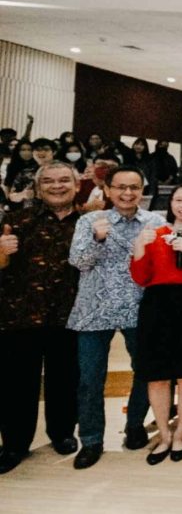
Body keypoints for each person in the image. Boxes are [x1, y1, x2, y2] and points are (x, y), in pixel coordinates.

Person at [66, 165, 166, 469]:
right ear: (107, 190)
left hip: (139, 308)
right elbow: (78, 261)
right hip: (94, 310)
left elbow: (163, 265)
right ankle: (91, 439)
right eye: (120, 187)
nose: (127, 193)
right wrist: (97, 239)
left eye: (134, 187)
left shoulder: (155, 222)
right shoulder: (89, 221)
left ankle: (135, 424)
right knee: (89, 378)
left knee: (146, 372)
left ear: (142, 190)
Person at [0, 161, 81, 474]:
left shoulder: (89, 222)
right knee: (16, 384)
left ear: (76, 185)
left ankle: (62, 433)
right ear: (37, 187)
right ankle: (14, 444)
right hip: (20, 316)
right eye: (48, 181)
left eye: (64, 180)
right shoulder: (15, 220)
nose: (57, 186)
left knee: (65, 379)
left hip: (70, 315)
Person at [129, 183, 182, 465]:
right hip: (157, 304)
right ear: (170, 204)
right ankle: (164, 435)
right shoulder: (154, 234)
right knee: (157, 374)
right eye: (178, 200)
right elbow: (140, 277)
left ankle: (180, 433)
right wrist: (139, 248)